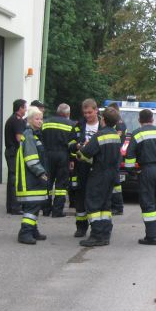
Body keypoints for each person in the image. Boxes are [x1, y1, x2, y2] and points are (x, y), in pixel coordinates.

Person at [124, 108, 156, 245]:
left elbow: (129, 155)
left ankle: (151, 237)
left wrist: (131, 171)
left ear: (139, 120)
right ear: (152, 119)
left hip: (147, 169)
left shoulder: (137, 133)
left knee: (148, 201)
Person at [79, 105, 122, 247]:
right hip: (112, 174)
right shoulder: (116, 135)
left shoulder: (99, 135)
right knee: (105, 205)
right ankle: (105, 234)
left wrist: (82, 147)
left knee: (93, 204)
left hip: (99, 173)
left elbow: (85, 154)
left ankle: (96, 235)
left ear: (103, 119)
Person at [15, 106, 49, 244]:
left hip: (33, 179)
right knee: (32, 207)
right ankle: (25, 233)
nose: (40, 121)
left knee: (35, 205)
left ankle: (33, 231)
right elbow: (31, 160)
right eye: (37, 119)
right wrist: (41, 173)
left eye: (41, 119)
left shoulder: (34, 134)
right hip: (31, 179)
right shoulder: (29, 135)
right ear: (29, 120)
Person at [72, 99, 102, 237]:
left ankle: (98, 227)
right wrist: (77, 146)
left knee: (97, 197)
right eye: (85, 113)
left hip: (98, 166)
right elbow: (70, 143)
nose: (87, 115)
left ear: (96, 110)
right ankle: (81, 227)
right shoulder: (79, 125)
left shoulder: (103, 125)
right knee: (81, 197)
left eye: (90, 112)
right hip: (82, 166)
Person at [40, 103, 76, 217]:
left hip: (47, 155)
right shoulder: (71, 124)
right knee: (61, 184)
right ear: (68, 113)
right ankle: (57, 211)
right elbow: (72, 145)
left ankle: (46, 210)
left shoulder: (46, 122)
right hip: (62, 156)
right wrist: (72, 159)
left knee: (47, 182)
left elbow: (40, 139)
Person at [3, 99, 27, 214]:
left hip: (10, 151)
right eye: (25, 107)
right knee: (15, 180)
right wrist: (29, 141)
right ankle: (15, 207)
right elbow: (19, 138)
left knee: (11, 179)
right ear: (20, 108)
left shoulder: (11, 119)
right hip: (14, 152)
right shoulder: (18, 120)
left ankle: (10, 206)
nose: (26, 110)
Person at [108, 102, 127, 215]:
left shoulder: (119, 123)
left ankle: (118, 206)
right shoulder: (119, 122)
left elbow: (117, 139)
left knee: (115, 182)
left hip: (114, 154)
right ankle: (116, 205)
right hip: (115, 154)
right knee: (114, 182)